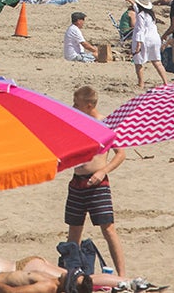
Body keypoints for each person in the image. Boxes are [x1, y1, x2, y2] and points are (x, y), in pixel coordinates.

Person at [64, 86, 126, 276]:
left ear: (89, 105)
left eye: (77, 104)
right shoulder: (77, 123)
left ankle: (122, 275)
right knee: (74, 229)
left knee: (108, 230)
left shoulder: (104, 124)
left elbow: (120, 154)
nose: (73, 107)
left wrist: (102, 171)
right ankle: (73, 273)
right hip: (77, 182)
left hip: (98, 184)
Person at [130, 0, 167, 89]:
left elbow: (140, 30)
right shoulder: (151, 15)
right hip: (155, 38)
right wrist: (130, 1)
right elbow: (137, 8)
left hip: (146, 39)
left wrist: (138, 45)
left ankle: (141, 83)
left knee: (138, 62)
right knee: (157, 61)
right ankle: (165, 82)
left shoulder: (141, 15)